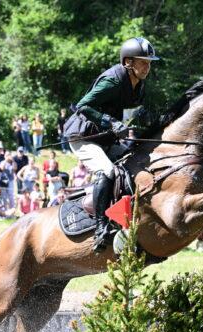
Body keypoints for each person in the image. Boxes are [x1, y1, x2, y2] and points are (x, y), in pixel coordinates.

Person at [64, 37, 159, 251]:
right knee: (107, 172)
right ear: (128, 62)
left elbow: (131, 114)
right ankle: (100, 228)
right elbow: (82, 105)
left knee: (135, 165)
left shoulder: (139, 85)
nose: (148, 66)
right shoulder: (113, 81)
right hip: (83, 137)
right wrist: (111, 122)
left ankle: (127, 220)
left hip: (106, 140)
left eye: (149, 62)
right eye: (143, 61)